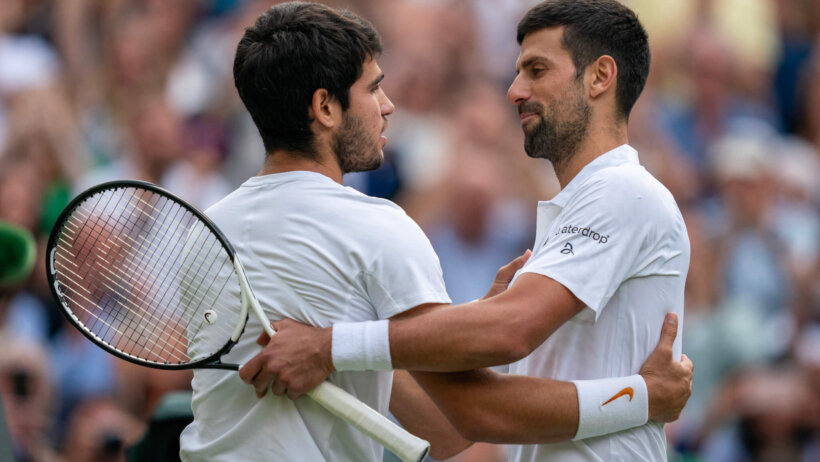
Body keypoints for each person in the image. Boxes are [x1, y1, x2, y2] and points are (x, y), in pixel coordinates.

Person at [242, 1, 692, 461]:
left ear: (600, 77)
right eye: (518, 72)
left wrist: (329, 346)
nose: (515, 91)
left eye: (537, 70)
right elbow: (481, 413)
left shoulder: (623, 190)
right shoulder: (585, 206)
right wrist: (641, 397)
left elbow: (509, 330)